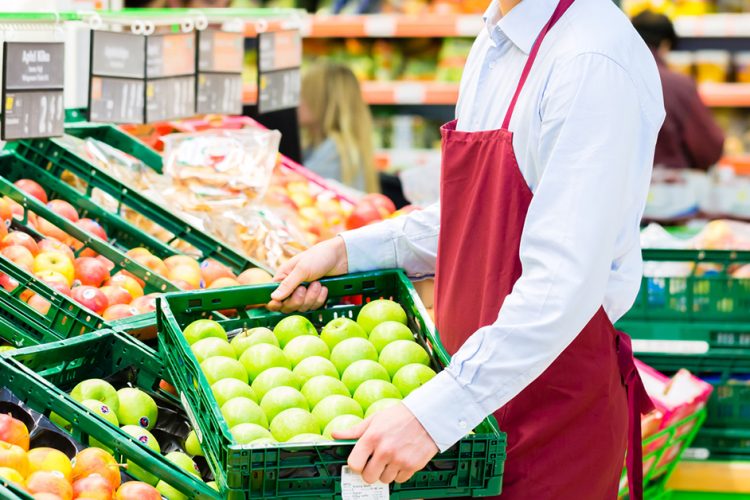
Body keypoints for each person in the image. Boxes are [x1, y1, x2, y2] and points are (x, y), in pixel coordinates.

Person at [269, 0, 665, 498]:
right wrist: (349, 252)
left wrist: (430, 416)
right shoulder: (495, 40)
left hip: (547, 419)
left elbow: (561, 286)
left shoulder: (592, 60)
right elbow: (481, 211)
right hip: (469, 400)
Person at [633, 10, 725, 170]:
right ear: (665, 44)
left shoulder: (610, 78)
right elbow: (708, 148)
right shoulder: (680, 86)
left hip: (619, 187)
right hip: (670, 187)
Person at [298, 62, 380, 193]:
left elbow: (298, 189)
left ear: (321, 101)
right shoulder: (333, 144)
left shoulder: (336, 150)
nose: (296, 102)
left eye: (302, 94)